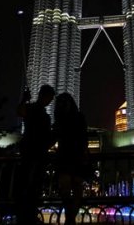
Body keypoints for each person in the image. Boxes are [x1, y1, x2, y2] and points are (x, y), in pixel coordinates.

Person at [16, 84, 56, 225]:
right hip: (34, 153)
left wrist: (24, 100)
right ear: (44, 96)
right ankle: (27, 216)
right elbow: (20, 112)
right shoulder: (38, 112)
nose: (50, 101)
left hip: (33, 152)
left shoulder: (40, 112)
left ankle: (27, 215)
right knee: (31, 186)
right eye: (50, 98)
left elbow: (20, 111)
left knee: (31, 186)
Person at [52, 92, 88, 225]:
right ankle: (70, 216)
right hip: (65, 157)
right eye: (60, 103)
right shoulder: (60, 119)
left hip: (75, 156)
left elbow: (84, 138)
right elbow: (55, 136)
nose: (63, 105)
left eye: (65, 102)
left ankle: (70, 216)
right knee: (66, 187)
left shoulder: (78, 117)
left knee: (76, 186)